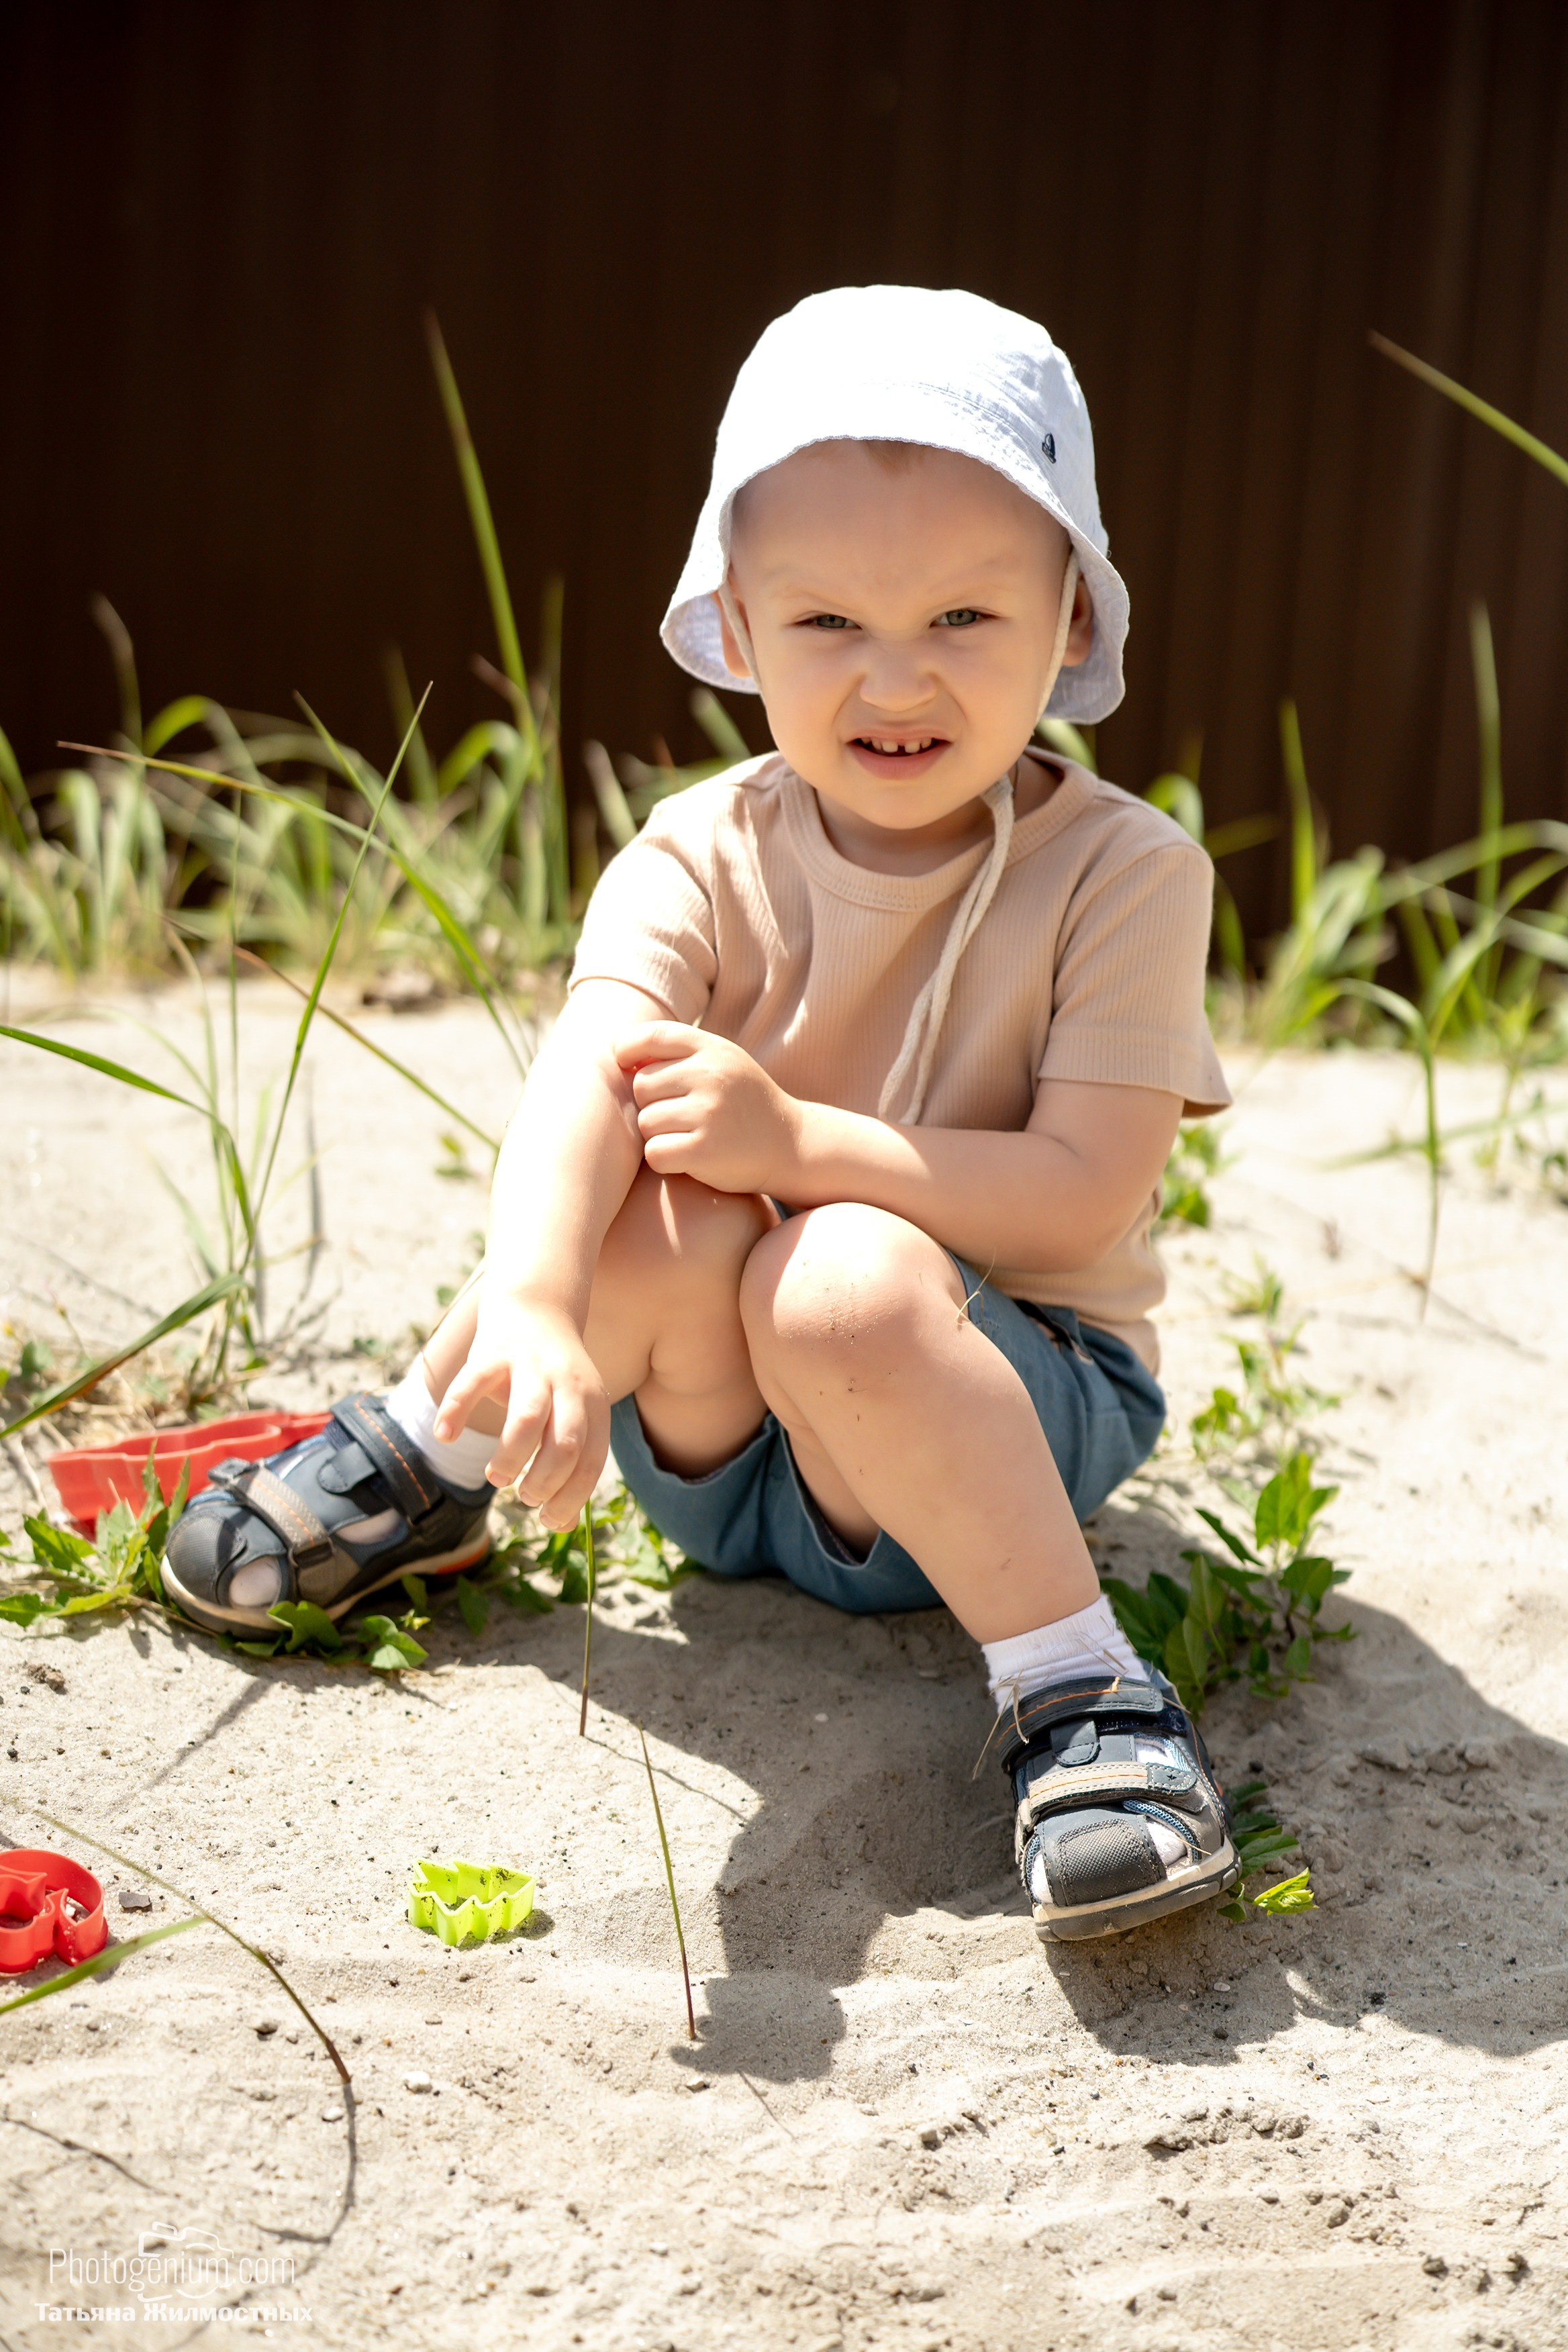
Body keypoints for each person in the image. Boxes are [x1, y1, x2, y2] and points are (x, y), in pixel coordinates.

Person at [164, 286, 1238, 1941]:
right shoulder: (698, 849)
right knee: (652, 1211)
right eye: (825, 625)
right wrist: (527, 1295)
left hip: (999, 1415)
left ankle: (1075, 1690)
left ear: (1070, 625)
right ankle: (447, 1450)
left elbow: (1081, 1197)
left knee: (842, 1276)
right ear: (734, 626)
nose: (897, 679)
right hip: (719, 1448)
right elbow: (589, 1071)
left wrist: (800, 1148)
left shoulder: (1124, 873)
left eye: (965, 617)